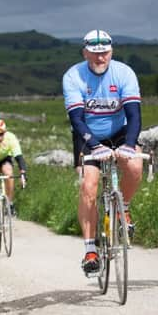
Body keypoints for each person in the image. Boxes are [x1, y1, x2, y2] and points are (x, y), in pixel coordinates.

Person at [62, 29, 143, 274]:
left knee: (135, 165)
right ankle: (90, 249)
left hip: (120, 131)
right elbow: (76, 120)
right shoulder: (73, 76)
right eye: (95, 54)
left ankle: (124, 208)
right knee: (89, 186)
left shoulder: (124, 73)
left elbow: (134, 115)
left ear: (111, 51)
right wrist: (95, 146)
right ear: (85, 52)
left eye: (105, 53)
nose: (100, 59)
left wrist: (129, 145)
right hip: (88, 134)